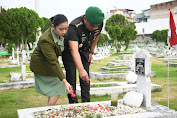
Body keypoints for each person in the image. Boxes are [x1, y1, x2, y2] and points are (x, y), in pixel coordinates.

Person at [62, 6, 104, 103]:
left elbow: (96, 36)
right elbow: (73, 50)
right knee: (71, 77)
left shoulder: (99, 23)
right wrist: (80, 70)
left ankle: (86, 102)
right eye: (92, 25)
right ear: (85, 19)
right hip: (69, 52)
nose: (94, 28)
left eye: (96, 26)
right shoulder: (74, 26)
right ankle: (73, 103)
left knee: (86, 78)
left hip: (84, 50)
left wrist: (91, 52)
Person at [30, 14, 73, 106]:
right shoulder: (45, 40)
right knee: (58, 88)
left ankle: (48, 111)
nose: (64, 32)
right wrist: (64, 81)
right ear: (53, 27)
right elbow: (53, 62)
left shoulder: (60, 34)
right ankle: (48, 111)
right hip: (41, 65)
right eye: (61, 29)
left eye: (66, 28)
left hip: (48, 64)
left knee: (54, 91)